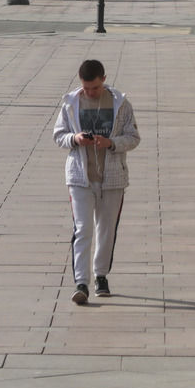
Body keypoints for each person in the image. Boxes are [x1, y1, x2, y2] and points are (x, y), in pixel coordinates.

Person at [53, 59, 140, 305]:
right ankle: (81, 282)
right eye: (86, 88)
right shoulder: (71, 103)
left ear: (103, 79)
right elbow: (58, 135)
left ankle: (101, 275)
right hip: (80, 176)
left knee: (106, 228)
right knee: (83, 229)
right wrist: (75, 138)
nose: (90, 92)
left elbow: (133, 136)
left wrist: (112, 143)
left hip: (112, 177)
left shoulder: (120, 104)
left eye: (94, 87)